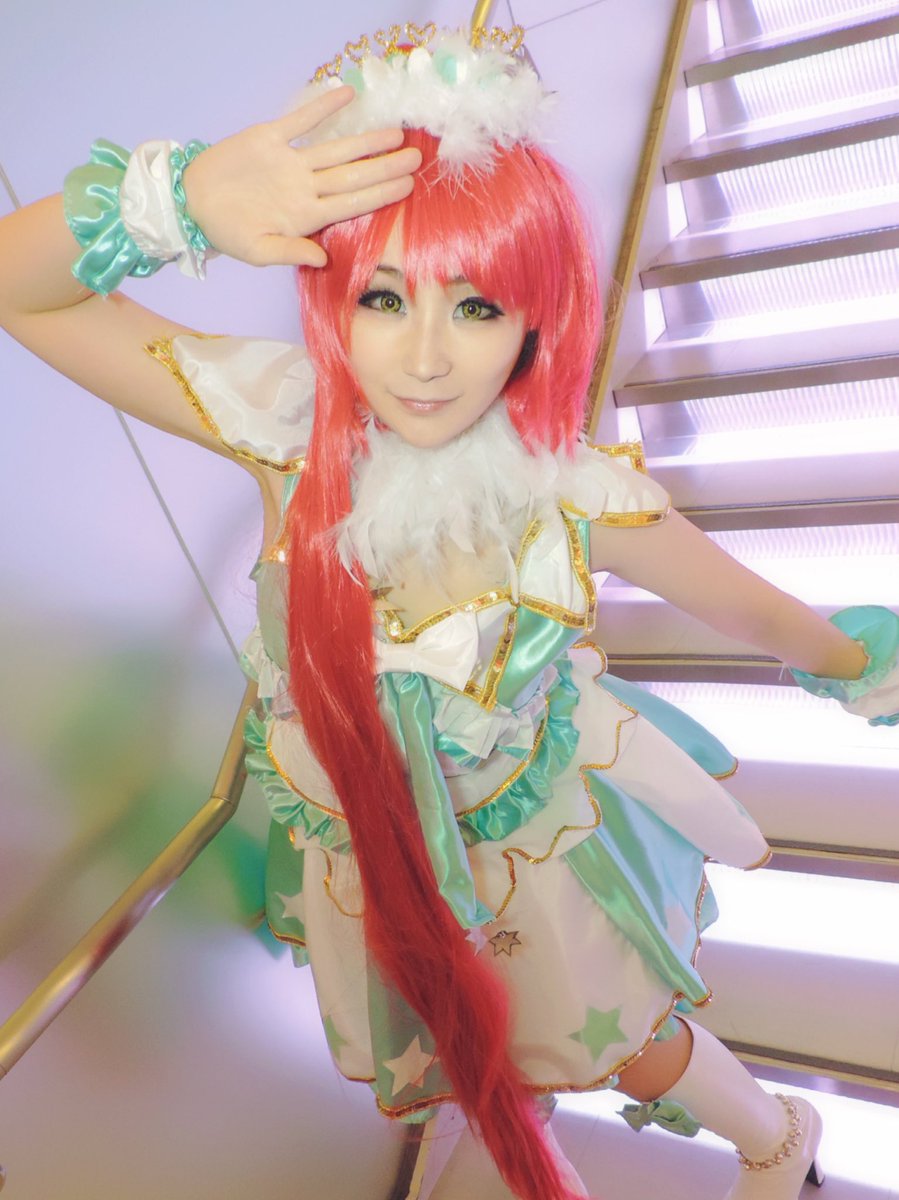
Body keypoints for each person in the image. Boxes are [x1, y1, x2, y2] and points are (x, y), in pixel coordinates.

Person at [1, 22, 896, 1200]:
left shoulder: (573, 495)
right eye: (383, 297)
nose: (424, 359)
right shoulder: (288, 427)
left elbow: (771, 620)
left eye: (476, 308)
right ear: (332, 298)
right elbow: (27, 295)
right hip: (369, 859)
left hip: (521, 858)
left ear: (534, 319)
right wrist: (182, 200)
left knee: (616, 1038)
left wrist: (858, 664)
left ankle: (773, 1135)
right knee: (456, 1037)